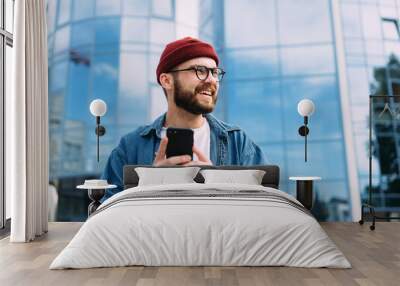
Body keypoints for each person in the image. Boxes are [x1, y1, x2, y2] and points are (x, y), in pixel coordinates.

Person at [101, 37, 266, 201]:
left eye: (215, 73)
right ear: (167, 80)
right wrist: (150, 186)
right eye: (200, 70)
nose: (211, 80)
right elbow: (106, 213)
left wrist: (216, 183)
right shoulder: (130, 147)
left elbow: (263, 207)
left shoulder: (238, 143)